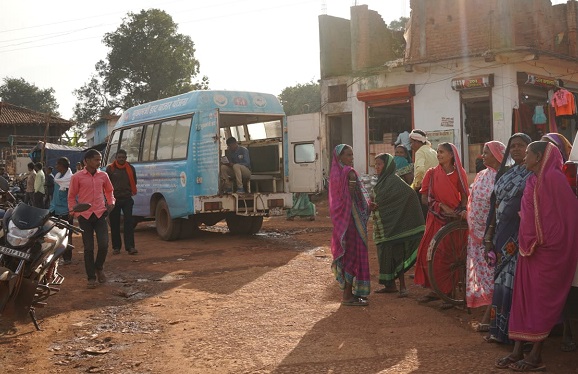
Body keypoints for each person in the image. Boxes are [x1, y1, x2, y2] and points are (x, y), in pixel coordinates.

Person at [495, 141, 578, 371]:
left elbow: (569, 214)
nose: (525, 157)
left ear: (539, 157)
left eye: (529, 152)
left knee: (540, 303)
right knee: (522, 301)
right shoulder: (531, 179)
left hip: (547, 252)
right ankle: (517, 351)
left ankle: (536, 355)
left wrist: (545, 240)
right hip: (527, 250)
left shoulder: (554, 179)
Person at [483, 133, 532, 344]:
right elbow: (495, 207)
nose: (516, 150)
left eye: (521, 146)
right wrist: (489, 236)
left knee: (516, 284)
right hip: (502, 235)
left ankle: (515, 334)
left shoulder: (533, 175)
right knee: (501, 282)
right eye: (513, 146)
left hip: (521, 236)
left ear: (530, 149)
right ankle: (498, 330)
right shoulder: (507, 174)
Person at [414, 142, 468, 309]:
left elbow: (465, 196)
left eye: (442, 152)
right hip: (436, 219)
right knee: (429, 254)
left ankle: (449, 292)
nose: (438, 155)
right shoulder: (431, 173)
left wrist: (460, 211)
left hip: (454, 222)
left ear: (452, 155)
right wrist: (441, 207)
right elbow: (424, 198)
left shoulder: (460, 174)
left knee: (450, 256)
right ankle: (435, 290)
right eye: (437, 152)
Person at [465, 141, 506, 332]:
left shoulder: (504, 177)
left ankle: (490, 318)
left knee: (494, 275)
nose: (483, 156)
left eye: (486, 153)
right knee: (485, 274)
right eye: (482, 152)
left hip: (494, 235)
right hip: (477, 236)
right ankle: (490, 315)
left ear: (498, 155)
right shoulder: (482, 175)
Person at [371, 153, 425, 297]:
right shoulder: (382, 181)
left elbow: (410, 195)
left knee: (398, 255)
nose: (376, 167)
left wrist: (402, 217)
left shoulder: (394, 181)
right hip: (386, 226)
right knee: (385, 254)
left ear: (388, 165)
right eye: (375, 164)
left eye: (379, 164)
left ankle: (403, 287)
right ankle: (390, 286)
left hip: (397, 226)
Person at [329, 144, 371, 306]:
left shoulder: (335, 174)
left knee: (346, 255)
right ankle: (347, 296)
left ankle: (349, 293)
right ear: (339, 157)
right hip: (352, 223)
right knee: (352, 256)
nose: (351, 159)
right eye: (348, 155)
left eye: (352, 155)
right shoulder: (349, 173)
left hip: (340, 223)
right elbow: (353, 200)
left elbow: (339, 201)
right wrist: (367, 207)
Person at [68, 150, 115, 289]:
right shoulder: (77, 177)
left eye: (99, 160)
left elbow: (109, 190)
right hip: (85, 216)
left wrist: (111, 202)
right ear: (86, 161)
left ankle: (99, 267)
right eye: (96, 160)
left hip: (100, 214)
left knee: (104, 244)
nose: (98, 162)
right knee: (88, 248)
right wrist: (74, 212)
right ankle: (91, 277)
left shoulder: (103, 175)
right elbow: (71, 196)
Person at [106, 149, 138, 255]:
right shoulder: (110, 169)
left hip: (127, 199)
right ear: (116, 158)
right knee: (114, 224)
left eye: (123, 157)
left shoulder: (131, 168)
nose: (121, 159)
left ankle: (130, 247)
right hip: (114, 200)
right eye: (119, 157)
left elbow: (135, 181)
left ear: (126, 158)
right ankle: (116, 247)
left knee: (129, 223)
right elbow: (106, 184)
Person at [49, 158, 74, 265]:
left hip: (65, 211)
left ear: (62, 166)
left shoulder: (71, 179)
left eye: (57, 164)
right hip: (55, 209)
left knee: (67, 235)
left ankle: (67, 258)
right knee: (55, 234)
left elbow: (72, 196)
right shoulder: (58, 177)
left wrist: (71, 210)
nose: (56, 166)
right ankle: (56, 257)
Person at [409, 129, 439, 218]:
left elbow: (420, 170)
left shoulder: (420, 152)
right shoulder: (433, 151)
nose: (411, 146)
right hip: (436, 186)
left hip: (425, 187)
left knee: (421, 213)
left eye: (411, 142)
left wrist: (416, 185)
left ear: (417, 142)